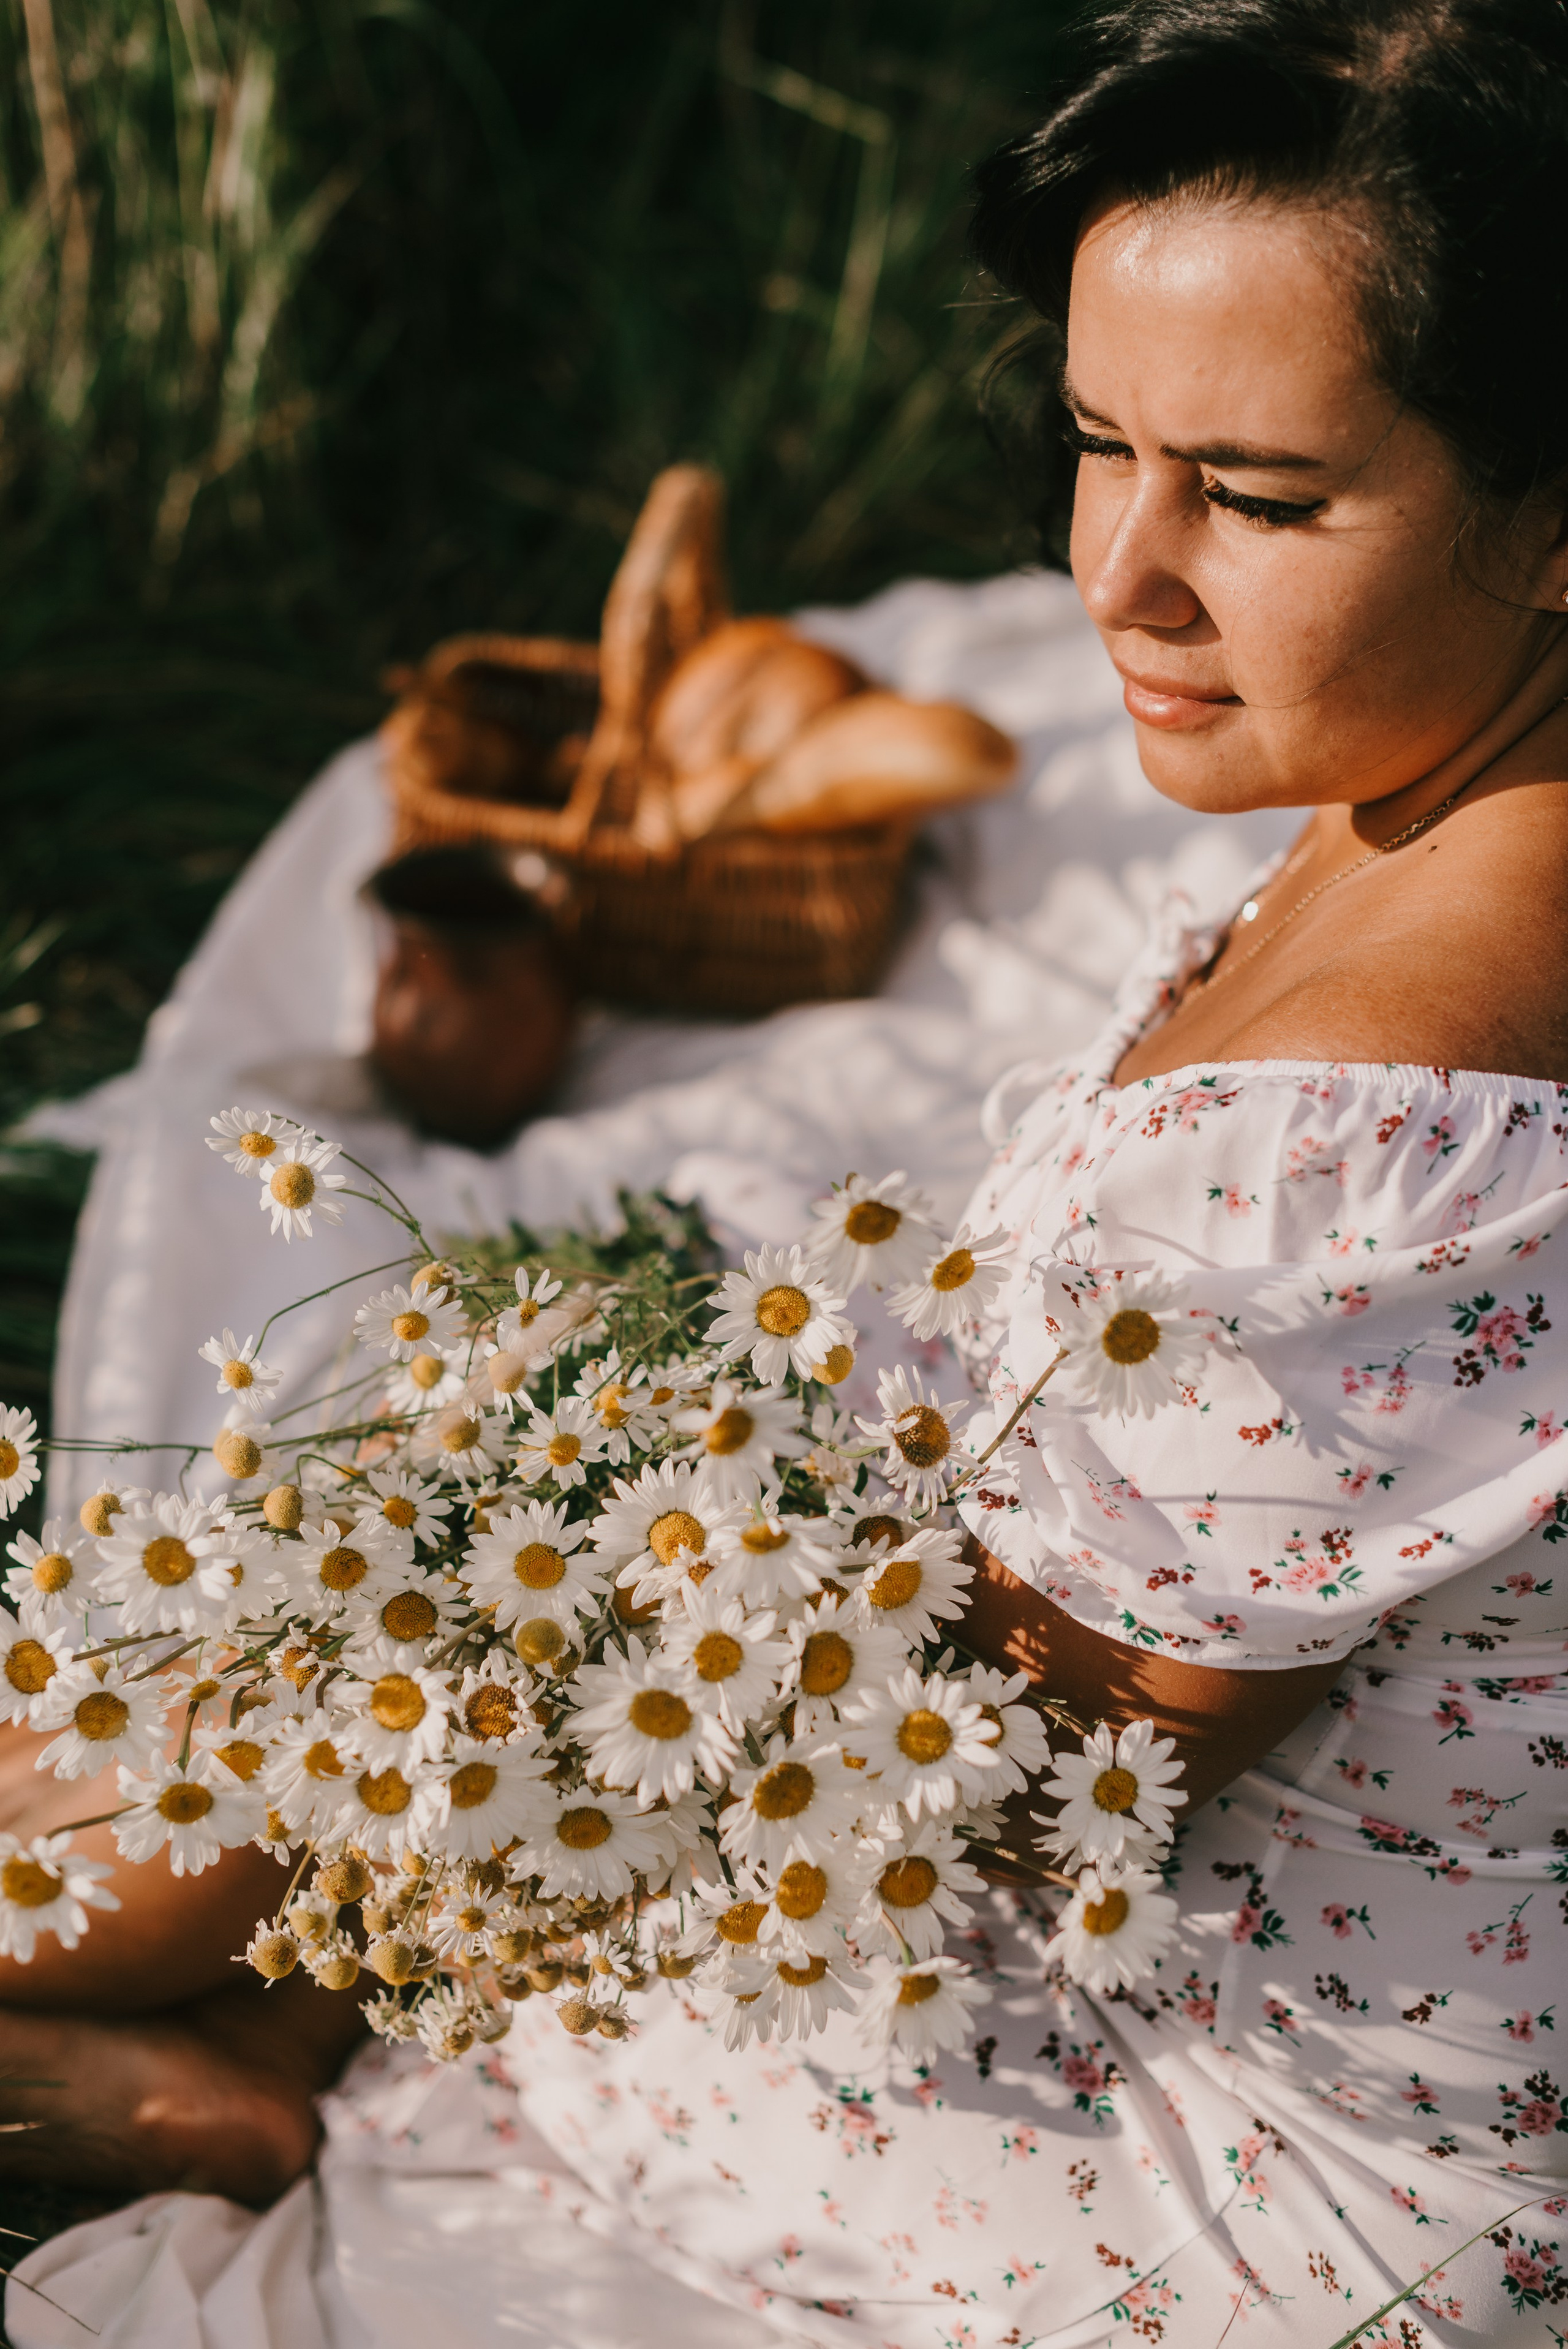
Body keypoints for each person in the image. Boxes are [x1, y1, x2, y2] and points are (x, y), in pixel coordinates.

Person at [7, 0, 1568, 2337]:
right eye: (1095, 443)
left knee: (257, 1715)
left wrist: (460, 1662)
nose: (1117, 576)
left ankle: (193, 2054)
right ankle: (222, 2017)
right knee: (272, 1688)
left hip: (1259, 2114)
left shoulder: (1387, 1115)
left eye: (1250, 496)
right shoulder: (1423, 799)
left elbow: (1018, 1803)